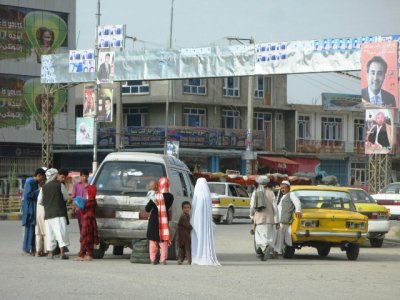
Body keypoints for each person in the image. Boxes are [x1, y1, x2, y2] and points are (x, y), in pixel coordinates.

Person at [190, 178, 220, 266]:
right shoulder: (207, 197)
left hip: (197, 223)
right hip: (206, 224)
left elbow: (194, 210)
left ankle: (196, 256)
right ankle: (205, 256)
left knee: (197, 239)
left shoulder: (197, 196)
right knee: (205, 237)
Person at [42, 169, 70, 259]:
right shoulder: (60, 185)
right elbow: (66, 197)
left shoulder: (44, 187)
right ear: (55, 175)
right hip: (59, 213)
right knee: (60, 233)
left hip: (48, 214)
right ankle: (62, 253)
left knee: (50, 234)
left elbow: (40, 201)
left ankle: (50, 254)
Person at [145, 178, 174, 265]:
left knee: (153, 241)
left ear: (159, 185)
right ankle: (163, 260)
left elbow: (147, 209)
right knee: (163, 241)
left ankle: (153, 259)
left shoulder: (155, 196)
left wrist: (152, 199)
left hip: (154, 220)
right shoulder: (170, 197)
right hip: (164, 220)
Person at [250, 176, 278, 261]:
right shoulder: (271, 193)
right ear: (267, 184)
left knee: (259, 236)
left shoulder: (255, 193)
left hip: (259, 218)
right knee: (269, 235)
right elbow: (275, 207)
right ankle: (265, 248)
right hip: (270, 218)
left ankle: (264, 247)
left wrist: (251, 215)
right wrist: (276, 219)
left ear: (259, 183)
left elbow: (252, 206)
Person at [21, 168, 46, 256]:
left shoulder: (35, 183)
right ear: (38, 175)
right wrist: (38, 191)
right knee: (30, 231)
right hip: (30, 210)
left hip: (34, 209)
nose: (42, 180)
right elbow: (27, 195)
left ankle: (33, 249)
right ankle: (29, 249)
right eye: (42, 177)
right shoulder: (30, 183)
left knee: (34, 231)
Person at [274, 180, 302, 256]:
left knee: (280, 236)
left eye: (284, 188)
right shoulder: (282, 196)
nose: (282, 189)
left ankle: (277, 251)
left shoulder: (291, 194)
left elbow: (297, 202)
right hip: (281, 220)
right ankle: (280, 250)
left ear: (288, 188)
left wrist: (298, 211)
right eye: (281, 188)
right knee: (282, 236)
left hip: (285, 220)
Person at [35, 168, 58, 257]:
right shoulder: (49, 186)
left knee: (38, 232)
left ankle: (38, 251)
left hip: (38, 211)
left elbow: (39, 200)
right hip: (46, 210)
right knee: (46, 232)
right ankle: (46, 250)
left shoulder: (43, 187)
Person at [75, 185, 99, 261]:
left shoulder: (90, 201)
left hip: (87, 219)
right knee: (90, 237)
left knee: (85, 237)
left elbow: (84, 209)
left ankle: (82, 255)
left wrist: (79, 205)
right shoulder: (93, 201)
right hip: (91, 219)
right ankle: (89, 254)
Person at [72, 169, 90, 234]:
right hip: (78, 209)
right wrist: (73, 209)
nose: (84, 178)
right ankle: (82, 239)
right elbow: (73, 197)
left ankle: (85, 238)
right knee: (80, 225)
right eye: (83, 176)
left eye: (86, 176)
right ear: (80, 176)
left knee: (87, 225)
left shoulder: (90, 186)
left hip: (87, 209)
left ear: (88, 176)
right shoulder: (76, 185)